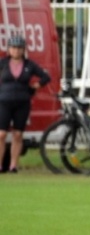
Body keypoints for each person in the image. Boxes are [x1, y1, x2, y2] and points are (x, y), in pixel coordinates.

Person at [1, 33, 50, 172]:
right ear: (9, 49)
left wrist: (36, 86)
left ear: (23, 50)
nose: (16, 50)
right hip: (4, 101)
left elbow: (45, 77)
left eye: (19, 48)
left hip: (22, 102)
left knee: (18, 134)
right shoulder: (3, 63)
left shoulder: (29, 65)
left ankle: (13, 165)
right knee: (2, 134)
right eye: (13, 48)